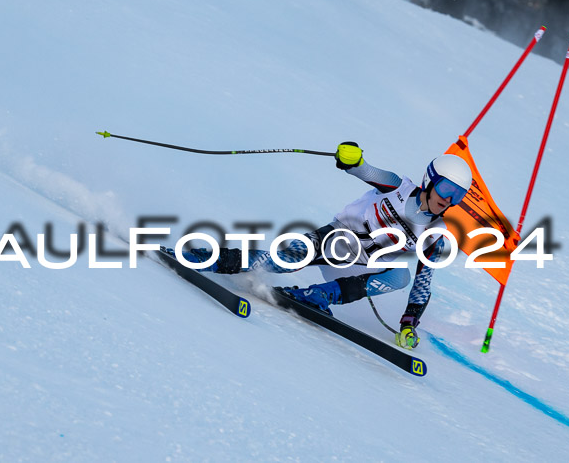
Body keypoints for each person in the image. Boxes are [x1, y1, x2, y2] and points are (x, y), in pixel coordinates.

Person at [173, 142, 472, 350]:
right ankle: (212, 259)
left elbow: (423, 283)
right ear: (429, 181)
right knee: (280, 260)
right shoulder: (398, 186)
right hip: (338, 239)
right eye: (446, 188)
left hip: (362, 265)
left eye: (457, 195)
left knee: (400, 276)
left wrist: (409, 324)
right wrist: (352, 159)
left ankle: (318, 296)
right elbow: (366, 171)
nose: (448, 199)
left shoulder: (435, 233)